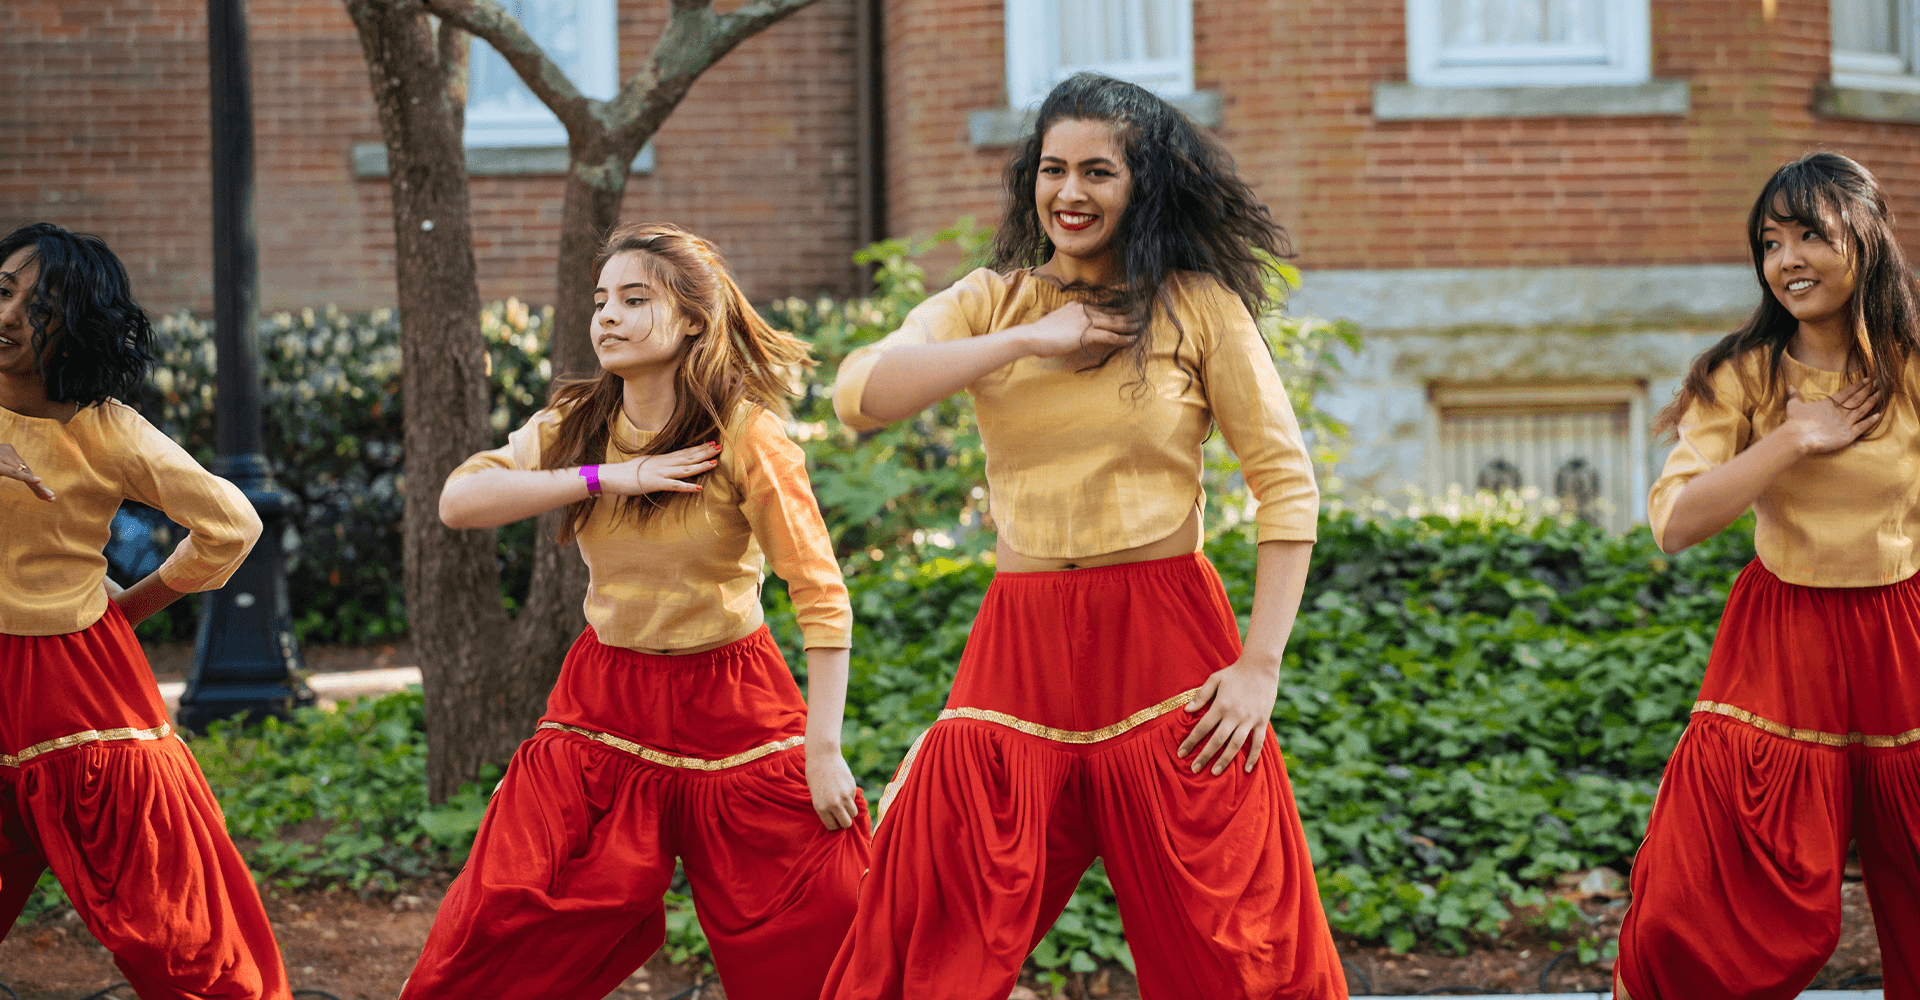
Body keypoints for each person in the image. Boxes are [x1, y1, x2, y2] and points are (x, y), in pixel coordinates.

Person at [820, 73, 1345, 1000]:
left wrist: (1260, 666)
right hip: (1020, 648)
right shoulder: (993, 302)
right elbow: (859, 394)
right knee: (937, 912)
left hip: (1165, 643)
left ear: (1143, 184)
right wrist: (1030, 339)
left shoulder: (1197, 307)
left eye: (1099, 171)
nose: (1071, 192)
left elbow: (1286, 488)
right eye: (1053, 169)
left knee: (1234, 937)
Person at [400, 223, 869, 1000]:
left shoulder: (748, 436)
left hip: (734, 703)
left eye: (634, 298)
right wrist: (605, 478)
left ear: (691, 318)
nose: (607, 317)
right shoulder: (577, 426)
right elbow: (459, 500)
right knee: (503, 902)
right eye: (600, 300)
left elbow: (820, 594)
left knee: (832, 908)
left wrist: (823, 751)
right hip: (604, 705)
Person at [1618, 152, 1920, 998]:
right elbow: (1675, 523)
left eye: (1810, 236)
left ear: (1865, 237)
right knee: (1709, 894)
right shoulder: (1742, 374)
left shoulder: (1913, 365)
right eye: (1769, 242)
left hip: (1907, 637)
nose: (1787, 260)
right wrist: (1795, 437)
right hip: (1784, 642)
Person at [0, 223, 286, 999]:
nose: (9, 314)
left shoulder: (107, 428)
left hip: (77, 683)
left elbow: (233, 523)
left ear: (78, 324)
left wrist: (132, 605)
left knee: (157, 898)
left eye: (41, 303)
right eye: (3, 290)